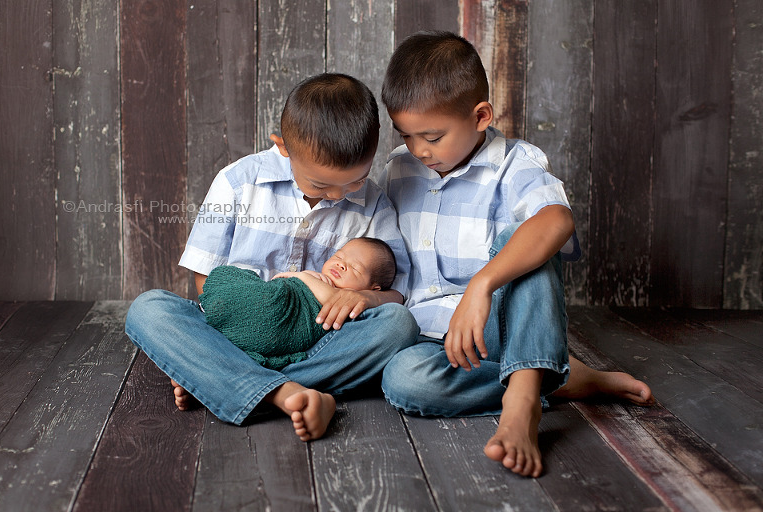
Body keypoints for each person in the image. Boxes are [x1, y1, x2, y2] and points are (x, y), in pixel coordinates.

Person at [377, 31, 654, 478]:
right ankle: (559, 376)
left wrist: (482, 284)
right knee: (403, 380)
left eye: (433, 136)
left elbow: (557, 221)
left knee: (528, 234)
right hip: (432, 340)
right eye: (407, 135)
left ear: (480, 116)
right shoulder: (399, 168)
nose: (419, 150)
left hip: (500, 323)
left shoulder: (515, 164)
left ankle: (523, 400)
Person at [125, 73, 419, 442]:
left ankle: (221, 380)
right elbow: (207, 280)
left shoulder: (374, 204)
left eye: (355, 181)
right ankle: (284, 392)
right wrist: (241, 329)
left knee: (398, 325)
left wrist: (362, 297)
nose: (337, 195)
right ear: (283, 147)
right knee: (149, 309)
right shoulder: (237, 183)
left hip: (314, 345)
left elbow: (397, 294)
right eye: (320, 184)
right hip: (234, 333)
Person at [200, 237, 397, 370]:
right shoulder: (317, 276)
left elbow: (331, 298)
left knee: (268, 304)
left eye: (355, 268)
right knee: (227, 277)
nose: (341, 264)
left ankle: (220, 349)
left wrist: (302, 277)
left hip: (281, 320)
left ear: (373, 288)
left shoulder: (348, 299)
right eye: (338, 256)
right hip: (273, 299)